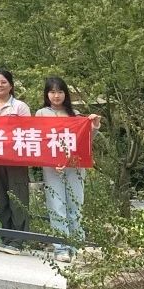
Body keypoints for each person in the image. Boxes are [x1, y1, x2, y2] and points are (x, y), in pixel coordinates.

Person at [37, 76, 101, 263]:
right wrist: (51, 160)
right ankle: (61, 246)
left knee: (75, 204)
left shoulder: (76, 115)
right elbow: (38, 140)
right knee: (56, 205)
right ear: (47, 94)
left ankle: (77, 245)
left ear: (66, 94)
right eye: (52, 92)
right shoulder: (41, 114)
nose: (56, 96)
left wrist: (94, 126)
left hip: (74, 165)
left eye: (60, 92)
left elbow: (85, 141)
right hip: (52, 167)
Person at [0, 69, 32, 255]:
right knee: (2, 197)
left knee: (18, 197)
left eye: (3, 82)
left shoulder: (20, 107)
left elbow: (28, 131)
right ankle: (6, 236)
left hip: (16, 159)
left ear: (11, 85)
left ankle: (18, 240)